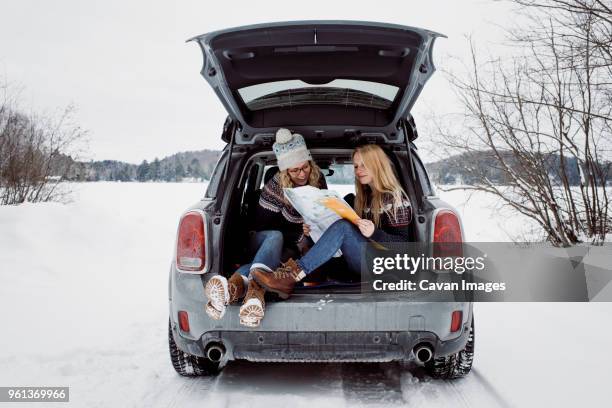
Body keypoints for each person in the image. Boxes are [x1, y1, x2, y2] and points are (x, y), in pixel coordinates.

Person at [251, 144, 412, 305]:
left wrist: (374, 233)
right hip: (360, 262)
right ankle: (268, 283)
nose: (358, 170)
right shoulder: (363, 198)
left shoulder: (395, 199)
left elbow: (404, 247)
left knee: (343, 227)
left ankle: (290, 277)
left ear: (377, 165)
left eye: (364, 165)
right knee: (333, 231)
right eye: (356, 166)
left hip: (384, 266)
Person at [204, 128, 327, 327]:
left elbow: (320, 212)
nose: (302, 174)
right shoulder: (276, 187)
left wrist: (311, 228)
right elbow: (259, 225)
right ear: (286, 170)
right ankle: (253, 291)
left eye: (305, 167)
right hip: (261, 237)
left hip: (290, 244)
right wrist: (296, 230)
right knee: (275, 237)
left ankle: (231, 291)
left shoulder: (318, 180)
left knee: (275, 265)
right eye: (295, 170)